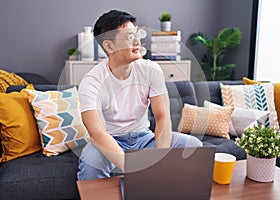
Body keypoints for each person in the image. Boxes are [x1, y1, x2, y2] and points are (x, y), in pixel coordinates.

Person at [77, 10, 202, 180]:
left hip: (144, 139)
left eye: (137, 35)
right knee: (91, 163)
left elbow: (162, 117)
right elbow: (97, 132)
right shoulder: (91, 82)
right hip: (109, 141)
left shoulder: (151, 70)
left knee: (193, 145)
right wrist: (128, 167)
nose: (137, 42)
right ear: (109, 46)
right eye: (129, 37)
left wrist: (161, 159)